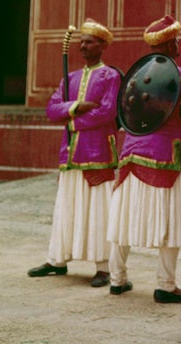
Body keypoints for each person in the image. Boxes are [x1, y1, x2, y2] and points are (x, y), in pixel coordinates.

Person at [106, 16, 181, 302]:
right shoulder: (179, 76)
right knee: (171, 221)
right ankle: (165, 284)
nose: (177, 44)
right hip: (166, 154)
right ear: (169, 43)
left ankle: (117, 279)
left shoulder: (136, 76)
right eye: (174, 40)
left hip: (131, 153)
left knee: (122, 220)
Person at [27, 19, 121, 287]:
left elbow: (107, 112)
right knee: (66, 206)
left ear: (102, 45)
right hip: (70, 152)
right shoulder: (71, 78)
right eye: (81, 41)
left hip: (98, 151)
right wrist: (77, 105)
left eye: (89, 41)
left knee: (98, 209)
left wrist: (72, 120)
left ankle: (103, 266)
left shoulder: (110, 76)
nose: (82, 46)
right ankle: (57, 259)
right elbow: (51, 108)